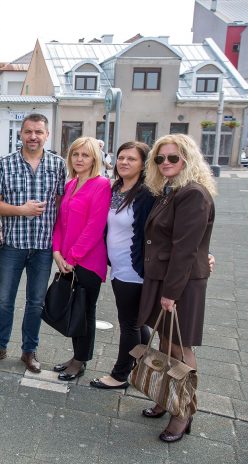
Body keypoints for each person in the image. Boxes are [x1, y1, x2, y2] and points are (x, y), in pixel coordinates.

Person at [136, 134, 216, 443]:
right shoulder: (170, 191)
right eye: (160, 158)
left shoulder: (193, 193)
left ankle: (184, 412)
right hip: (165, 278)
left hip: (180, 283)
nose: (165, 163)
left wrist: (171, 293)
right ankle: (167, 398)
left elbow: (185, 248)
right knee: (166, 343)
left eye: (173, 157)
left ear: (187, 159)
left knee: (181, 349)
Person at [0, 113, 66, 373]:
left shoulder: (58, 165)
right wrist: (22, 210)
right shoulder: (4, 164)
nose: (33, 136)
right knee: (4, 299)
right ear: (20, 133)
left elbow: (62, 204)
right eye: (28, 131)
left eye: (38, 132)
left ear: (47, 135)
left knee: (36, 302)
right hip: (13, 245)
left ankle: (29, 350)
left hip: (43, 246)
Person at [89, 141, 154, 389]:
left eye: (132, 159)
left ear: (143, 164)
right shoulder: (116, 187)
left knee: (129, 324)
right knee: (137, 323)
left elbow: (163, 229)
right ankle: (143, 364)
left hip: (134, 268)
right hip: (117, 267)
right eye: (121, 157)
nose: (124, 162)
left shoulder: (147, 193)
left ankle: (119, 375)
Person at [51, 137, 111, 381]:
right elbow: (60, 222)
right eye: (75, 154)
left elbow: (94, 227)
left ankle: (80, 360)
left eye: (85, 155)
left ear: (95, 159)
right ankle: (76, 356)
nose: (79, 159)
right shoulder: (71, 184)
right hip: (67, 259)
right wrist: (57, 252)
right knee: (74, 309)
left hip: (88, 262)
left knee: (84, 312)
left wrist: (73, 257)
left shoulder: (101, 185)